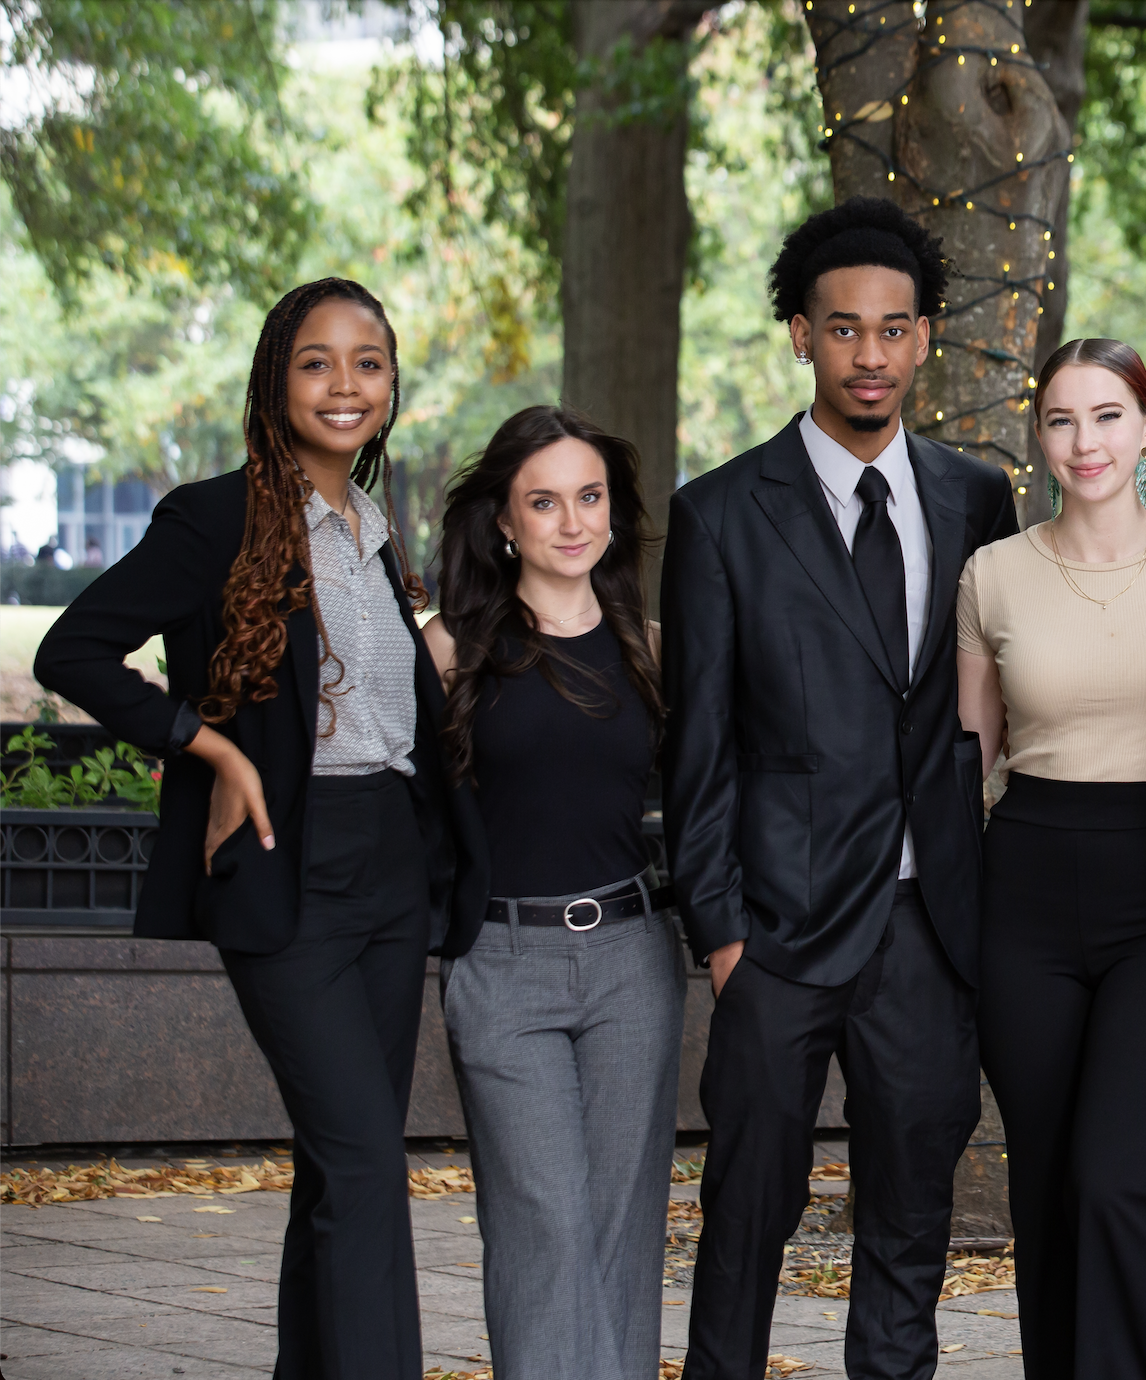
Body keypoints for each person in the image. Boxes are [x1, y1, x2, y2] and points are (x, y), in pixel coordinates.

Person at [33, 278, 487, 1379]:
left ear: (391, 385)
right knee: (371, 1164)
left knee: (342, 1170)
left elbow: (383, 708)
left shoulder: (374, 528)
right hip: (287, 867)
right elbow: (73, 652)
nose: (344, 384)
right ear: (275, 379)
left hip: (390, 865)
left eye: (367, 362)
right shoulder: (214, 517)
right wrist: (213, 747)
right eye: (316, 362)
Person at [662, 196, 1019, 1380]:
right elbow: (699, 739)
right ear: (802, 337)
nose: (870, 353)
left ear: (922, 340)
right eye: (843, 329)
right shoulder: (719, 514)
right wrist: (719, 934)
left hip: (928, 927)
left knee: (909, 1222)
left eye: (894, 328)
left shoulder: (976, 501)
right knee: (745, 1217)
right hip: (775, 930)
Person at [956, 338, 1146, 1378]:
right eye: (1062, 419)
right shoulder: (994, 573)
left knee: (1116, 1179)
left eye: (1107, 415)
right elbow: (966, 764)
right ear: (1039, 438)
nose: (1085, 440)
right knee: (1046, 1184)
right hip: (1022, 886)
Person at [420, 405, 681, 1380]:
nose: (571, 521)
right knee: (544, 1222)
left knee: (621, 1227)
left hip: (629, 961)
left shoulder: (651, 648)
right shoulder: (448, 651)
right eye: (543, 501)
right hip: (502, 965)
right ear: (502, 521)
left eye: (588, 497)